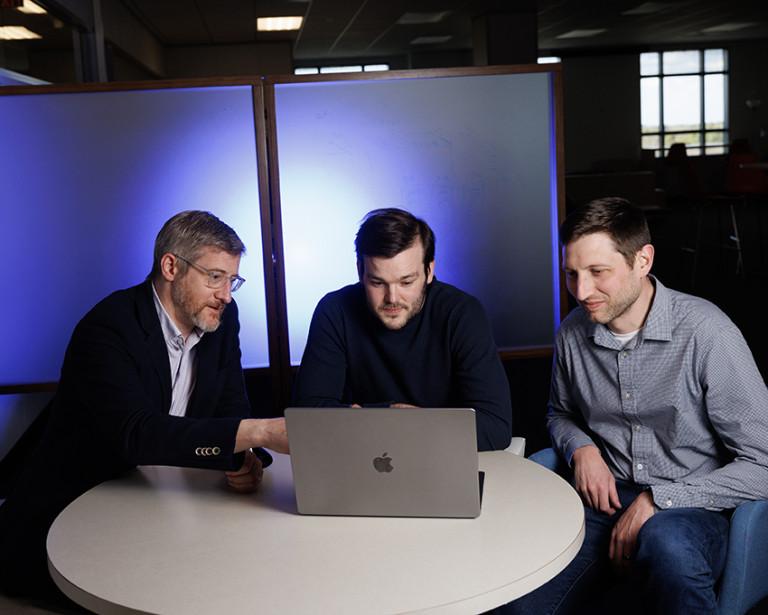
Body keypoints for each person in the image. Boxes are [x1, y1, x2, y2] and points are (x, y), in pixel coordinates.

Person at [0, 211, 289, 604]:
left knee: (242, 583)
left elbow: (230, 407)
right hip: (77, 511)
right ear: (171, 266)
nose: (226, 294)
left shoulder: (222, 316)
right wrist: (262, 432)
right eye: (215, 277)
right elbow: (137, 434)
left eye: (232, 279)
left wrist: (241, 461)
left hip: (163, 503)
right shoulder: (107, 327)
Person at [504, 197, 768, 614]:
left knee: (668, 546)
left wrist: (657, 499)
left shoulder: (708, 332)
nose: (581, 291)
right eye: (571, 274)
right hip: (602, 501)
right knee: (518, 595)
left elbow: (764, 463)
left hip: (692, 504)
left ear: (643, 260)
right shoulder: (572, 334)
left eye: (598, 272)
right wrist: (582, 449)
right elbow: (560, 413)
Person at [292, 207, 512, 450]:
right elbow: (308, 418)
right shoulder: (334, 310)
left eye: (406, 282)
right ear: (360, 272)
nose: (392, 298)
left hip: (441, 459)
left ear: (429, 271)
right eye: (377, 282)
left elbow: (495, 428)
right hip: (359, 457)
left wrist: (364, 417)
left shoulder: (462, 313)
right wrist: (392, 413)